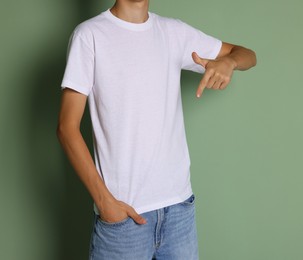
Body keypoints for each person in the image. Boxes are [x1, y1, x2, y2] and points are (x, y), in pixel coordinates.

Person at [57, 0, 256, 259]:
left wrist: (228, 63)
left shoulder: (174, 32)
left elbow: (247, 55)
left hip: (179, 211)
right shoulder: (90, 35)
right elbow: (66, 127)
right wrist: (105, 202)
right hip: (123, 218)